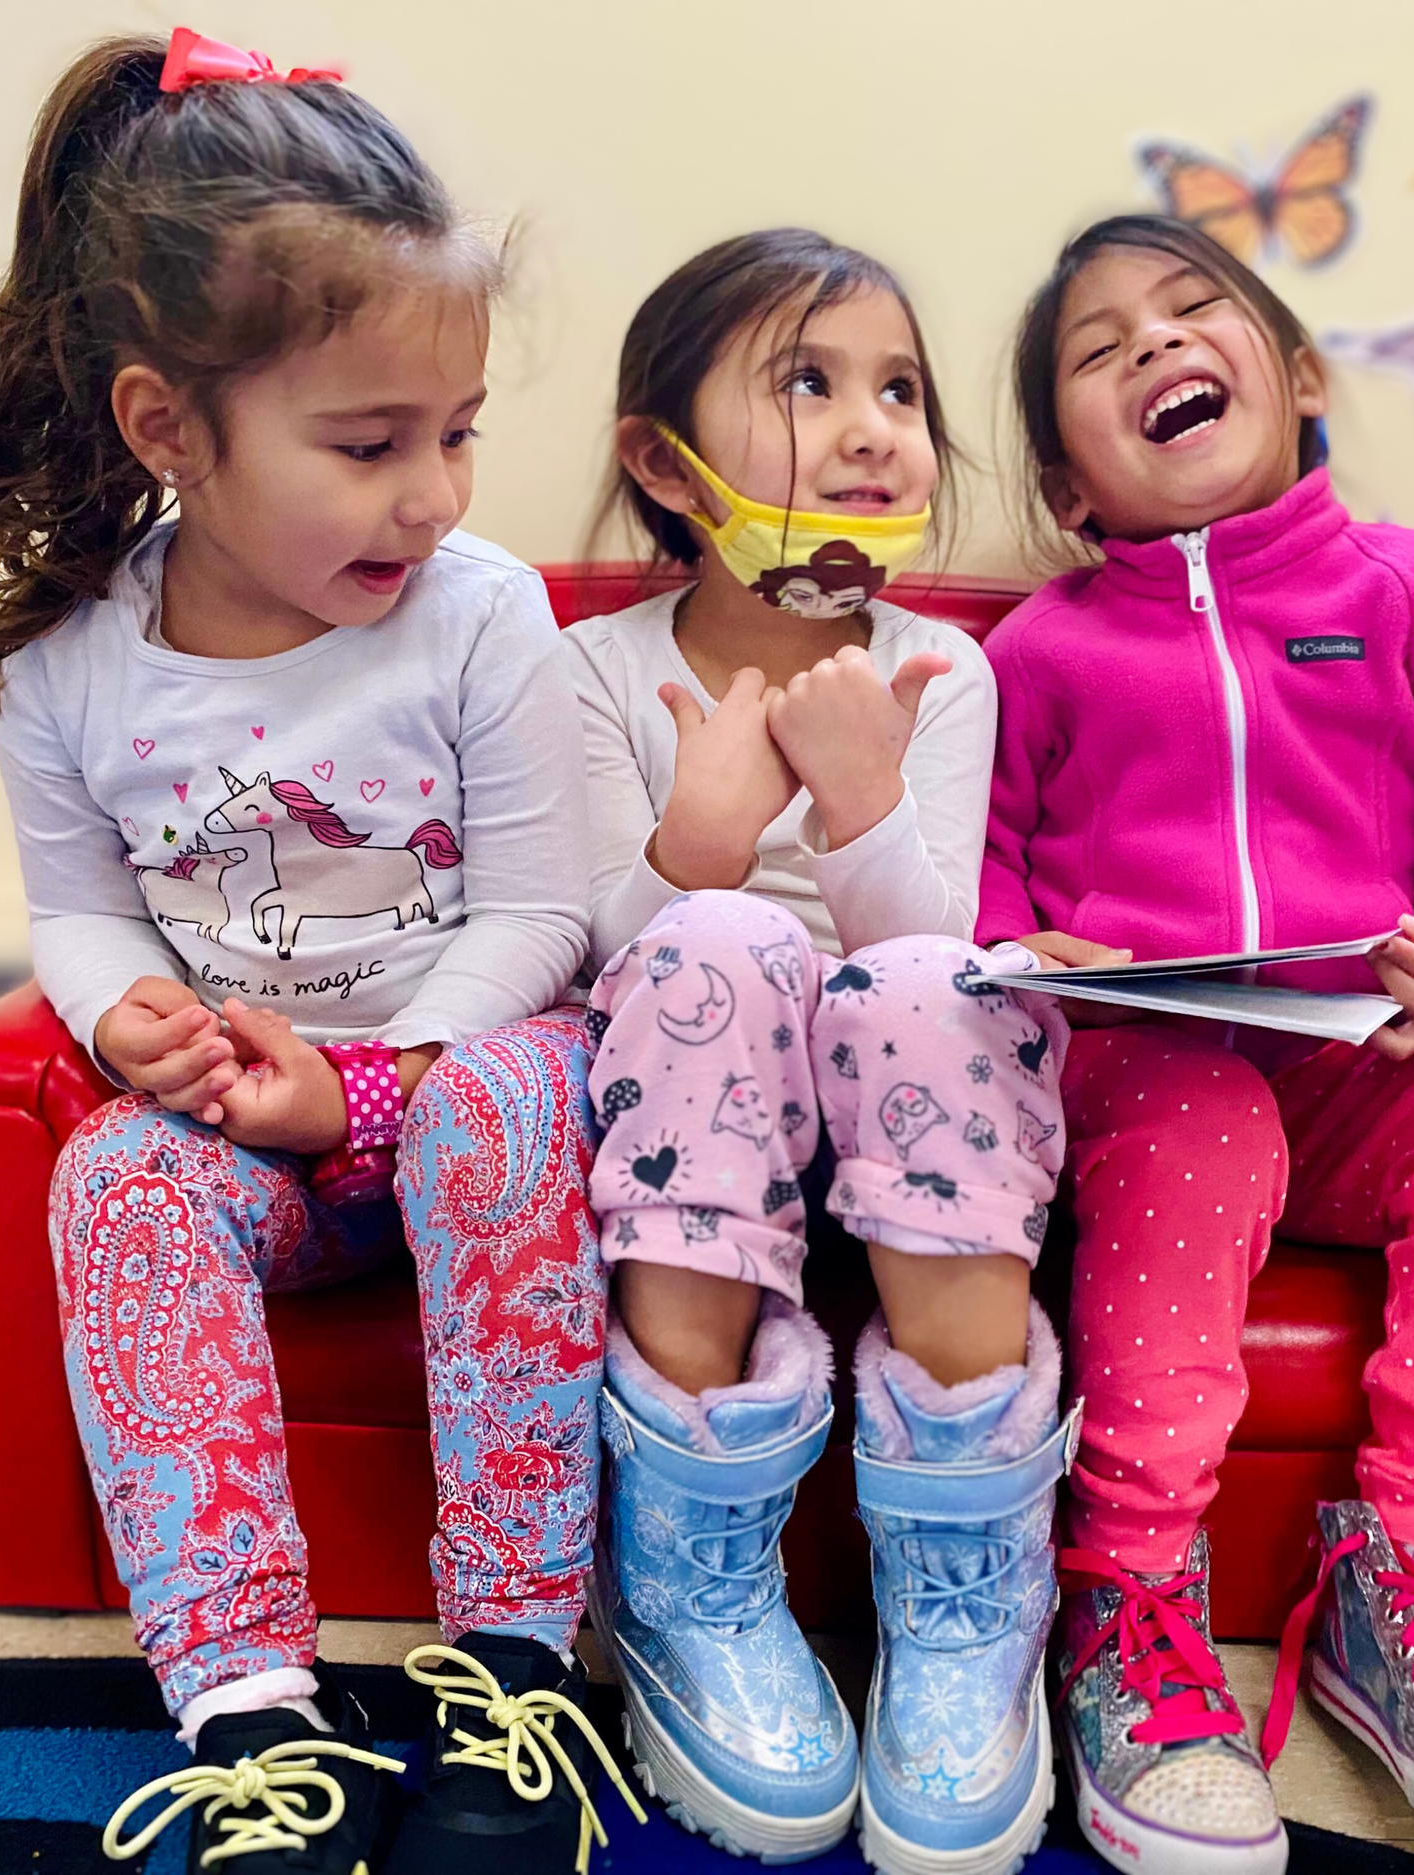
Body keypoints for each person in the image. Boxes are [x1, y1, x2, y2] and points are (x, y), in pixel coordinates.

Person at [0, 30, 638, 1873]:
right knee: (114, 1179)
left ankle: (516, 1670)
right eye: (371, 445)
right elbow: (75, 902)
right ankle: (247, 1706)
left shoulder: (479, 618)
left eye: (459, 433)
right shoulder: (73, 659)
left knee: (494, 1103)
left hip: (472, 1095)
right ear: (171, 427)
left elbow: (548, 913)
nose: (438, 497)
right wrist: (126, 1011)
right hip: (257, 1127)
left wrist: (379, 1078)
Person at [985, 213, 1414, 1868]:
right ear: (1070, 486)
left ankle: (1411, 1575)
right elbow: (965, 879)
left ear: (1303, 375)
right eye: (1101, 354)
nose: (1154, 350)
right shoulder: (1037, 652)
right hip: (1139, 1077)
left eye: (1192, 316)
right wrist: (1017, 950)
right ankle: (1127, 1596)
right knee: (1196, 1109)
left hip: (1361, 1064)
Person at [559, 230, 1072, 1874]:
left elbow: (931, 952)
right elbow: (583, 958)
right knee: (717, 945)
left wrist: (857, 789)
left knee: (937, 977)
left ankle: (968, 1604)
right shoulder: (594, 672)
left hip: (903, 1117)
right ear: (660, 457)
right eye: (811, 381)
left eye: (902, 389)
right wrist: (697, 844)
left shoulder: (949, 673)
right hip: (688, 1112)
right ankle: (695, 1560)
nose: (875, 429)